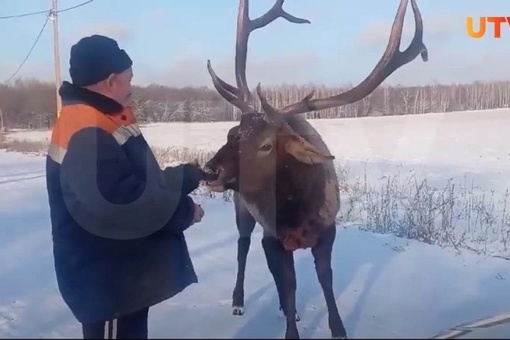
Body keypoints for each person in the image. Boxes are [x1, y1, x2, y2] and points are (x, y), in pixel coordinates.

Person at [45, 34, 206, 339]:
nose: (132, 87)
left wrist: (187, 176)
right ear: (110, 81)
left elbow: (136, 182)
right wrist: (186, 211)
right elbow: (125, 205)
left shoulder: (100, 118)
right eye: (129, 78)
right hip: (108, 282)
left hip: (122, 274)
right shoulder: (86, 131)